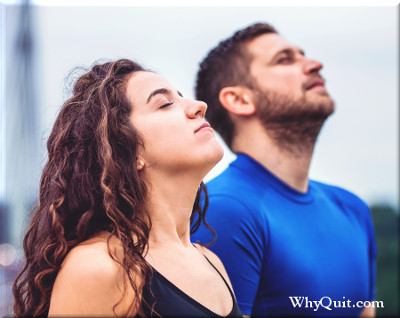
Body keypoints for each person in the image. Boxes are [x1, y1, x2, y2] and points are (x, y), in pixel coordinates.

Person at [12, 59, 243, 318]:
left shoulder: (213, 264)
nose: (199, 106)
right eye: (165, 104)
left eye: (181, 97)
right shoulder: (100, 266)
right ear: (127, 152)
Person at [191, 23, 377, 317]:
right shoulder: (224, 212)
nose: (315, 64)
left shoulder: (352, 208)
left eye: (303, 55)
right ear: (239, 99)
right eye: (285, 59)